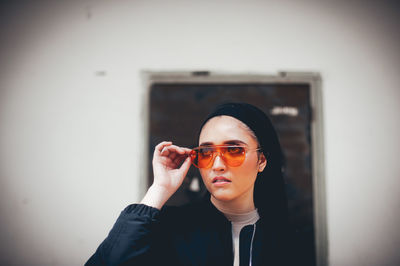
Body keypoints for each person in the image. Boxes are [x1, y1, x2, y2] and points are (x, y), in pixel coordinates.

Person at [86, 102, 291, 266]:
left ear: (261, 160)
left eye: (234, 150)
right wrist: (159, 189)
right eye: (206, 152)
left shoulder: (287, 239)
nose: (217, 165)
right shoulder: (169, 229)